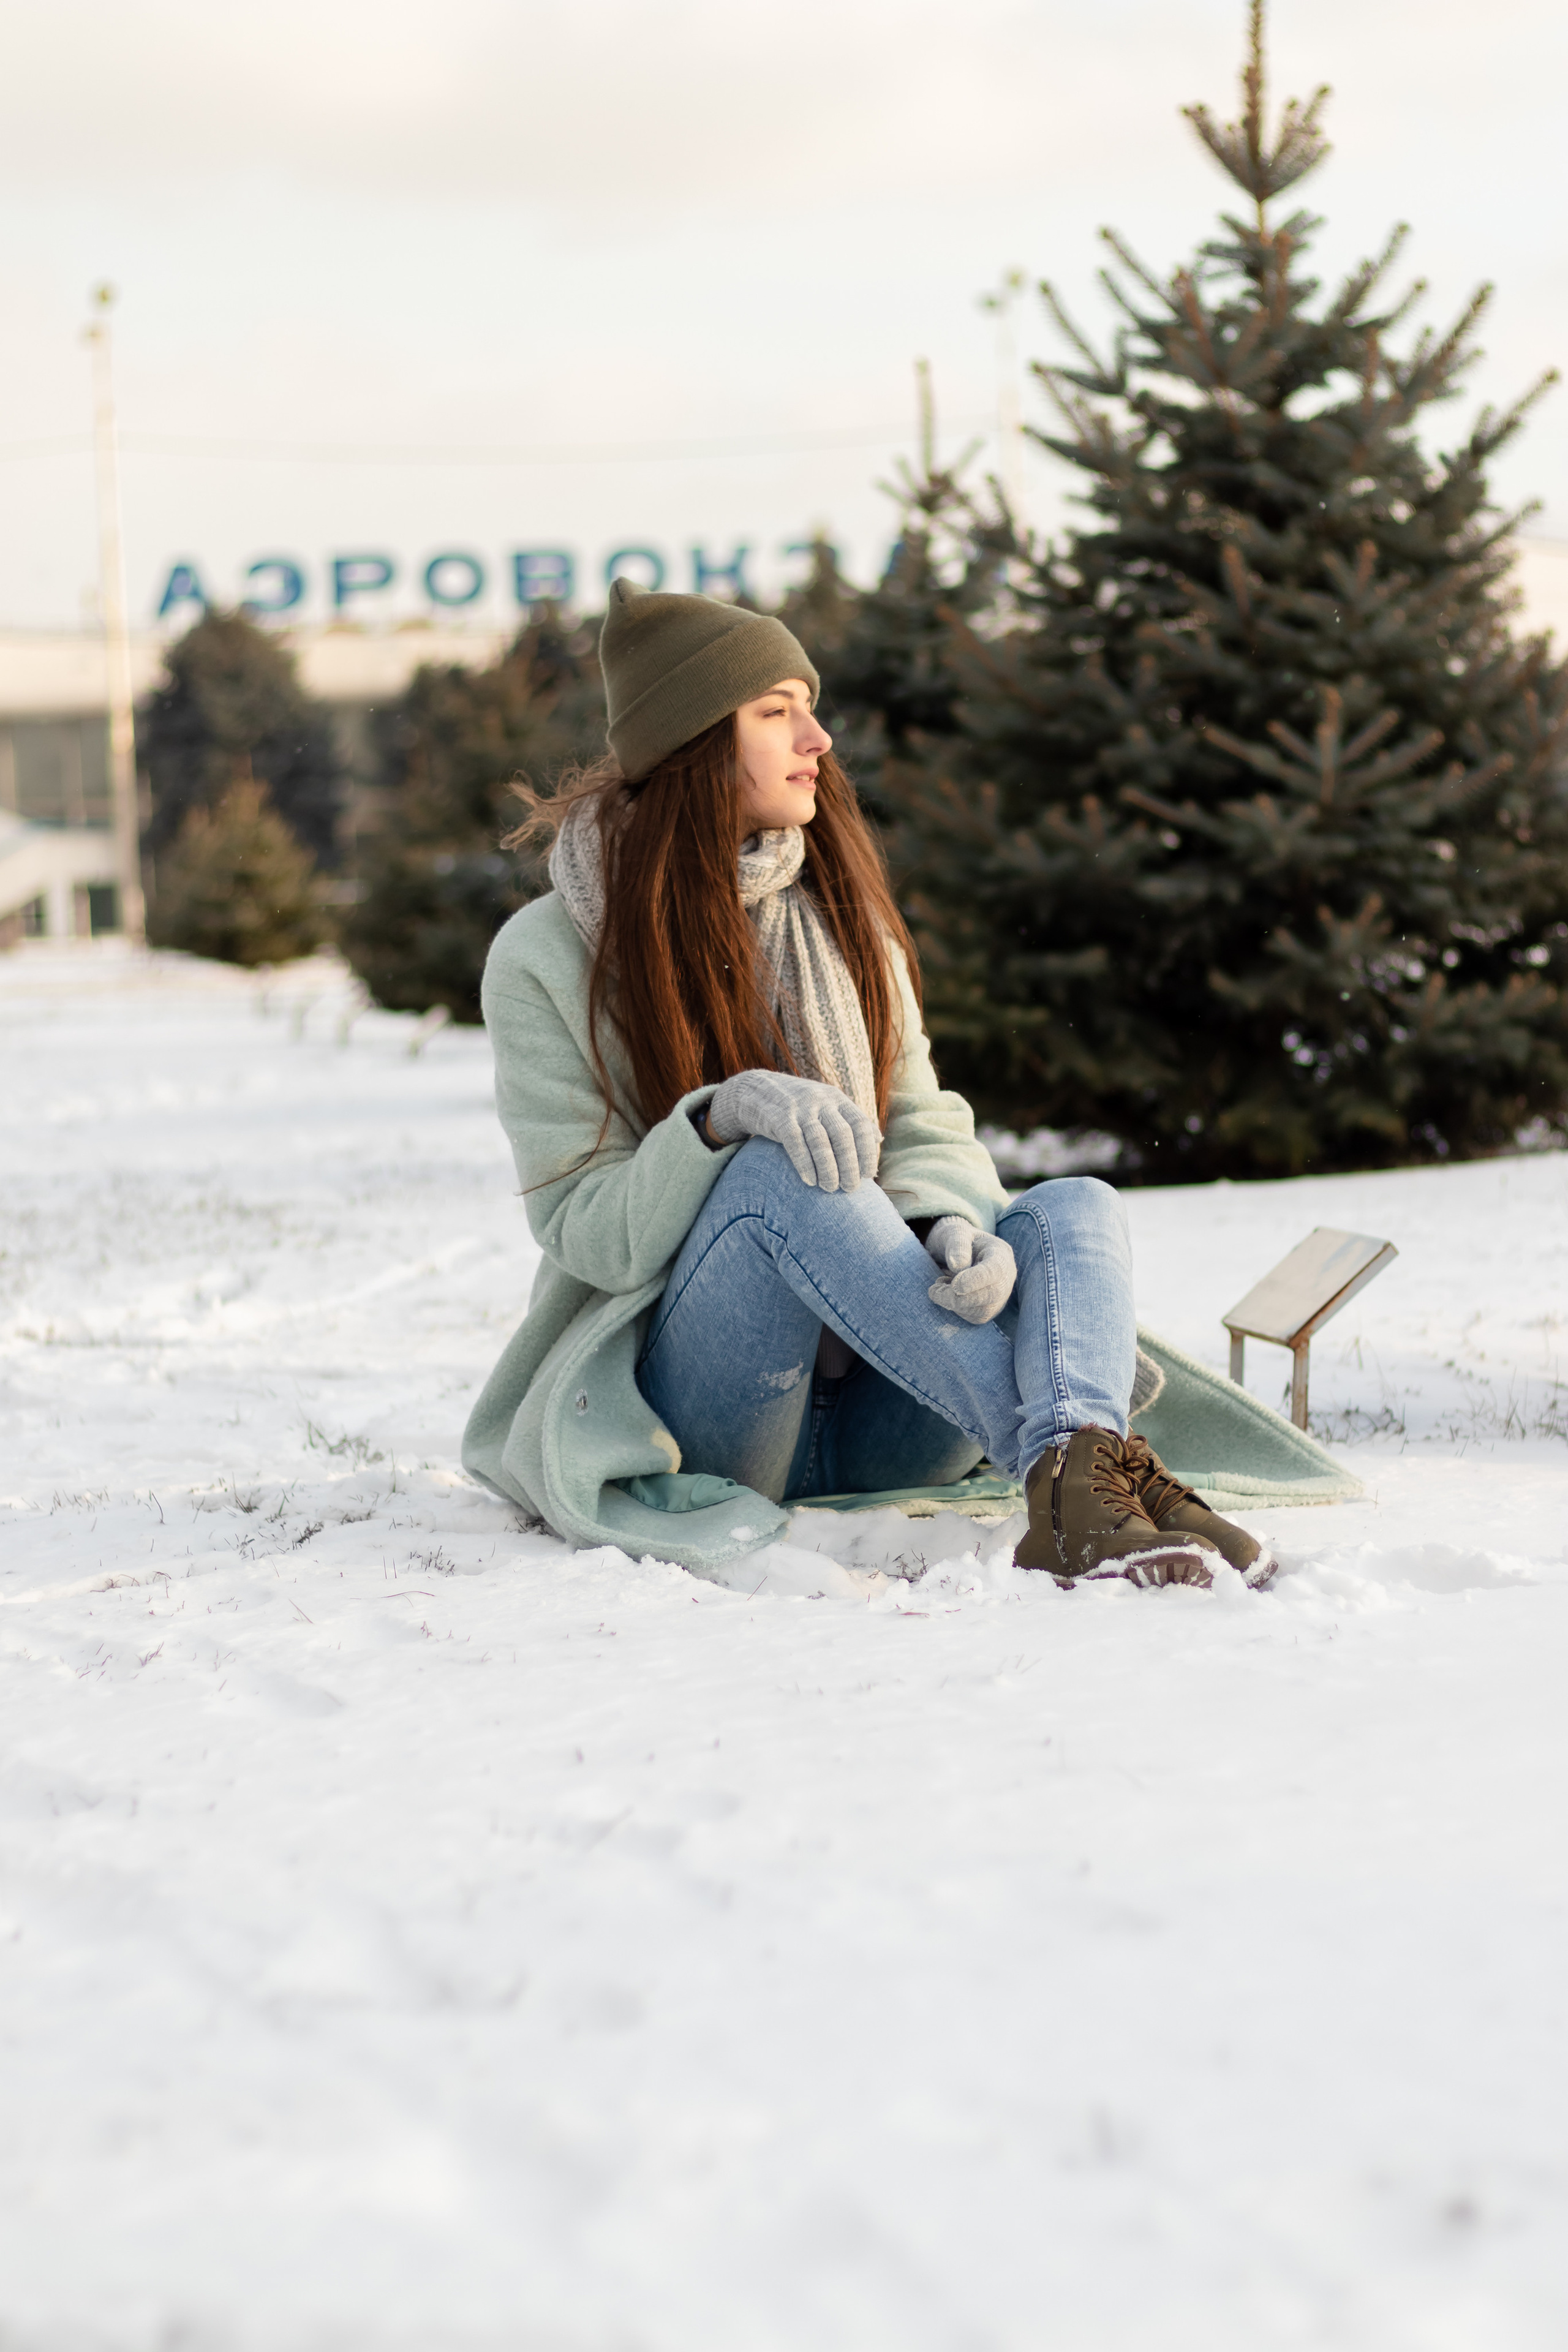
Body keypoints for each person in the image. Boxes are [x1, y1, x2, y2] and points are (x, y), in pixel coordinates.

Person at [462, 581, 1268, 1589]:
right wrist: (713, 1122)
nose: (820, 737)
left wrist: (947, 1217)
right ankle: (1083, 1478)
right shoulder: (546, 957)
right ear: (694, 745)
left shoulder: (841, 918)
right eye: (776, 711)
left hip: (900, 1413)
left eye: (809, 703)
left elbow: (925, 1123)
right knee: (777, 1169)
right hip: (716, 1414)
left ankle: (1080, 1473)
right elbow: (584, 1224)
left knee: (1074, 1209)